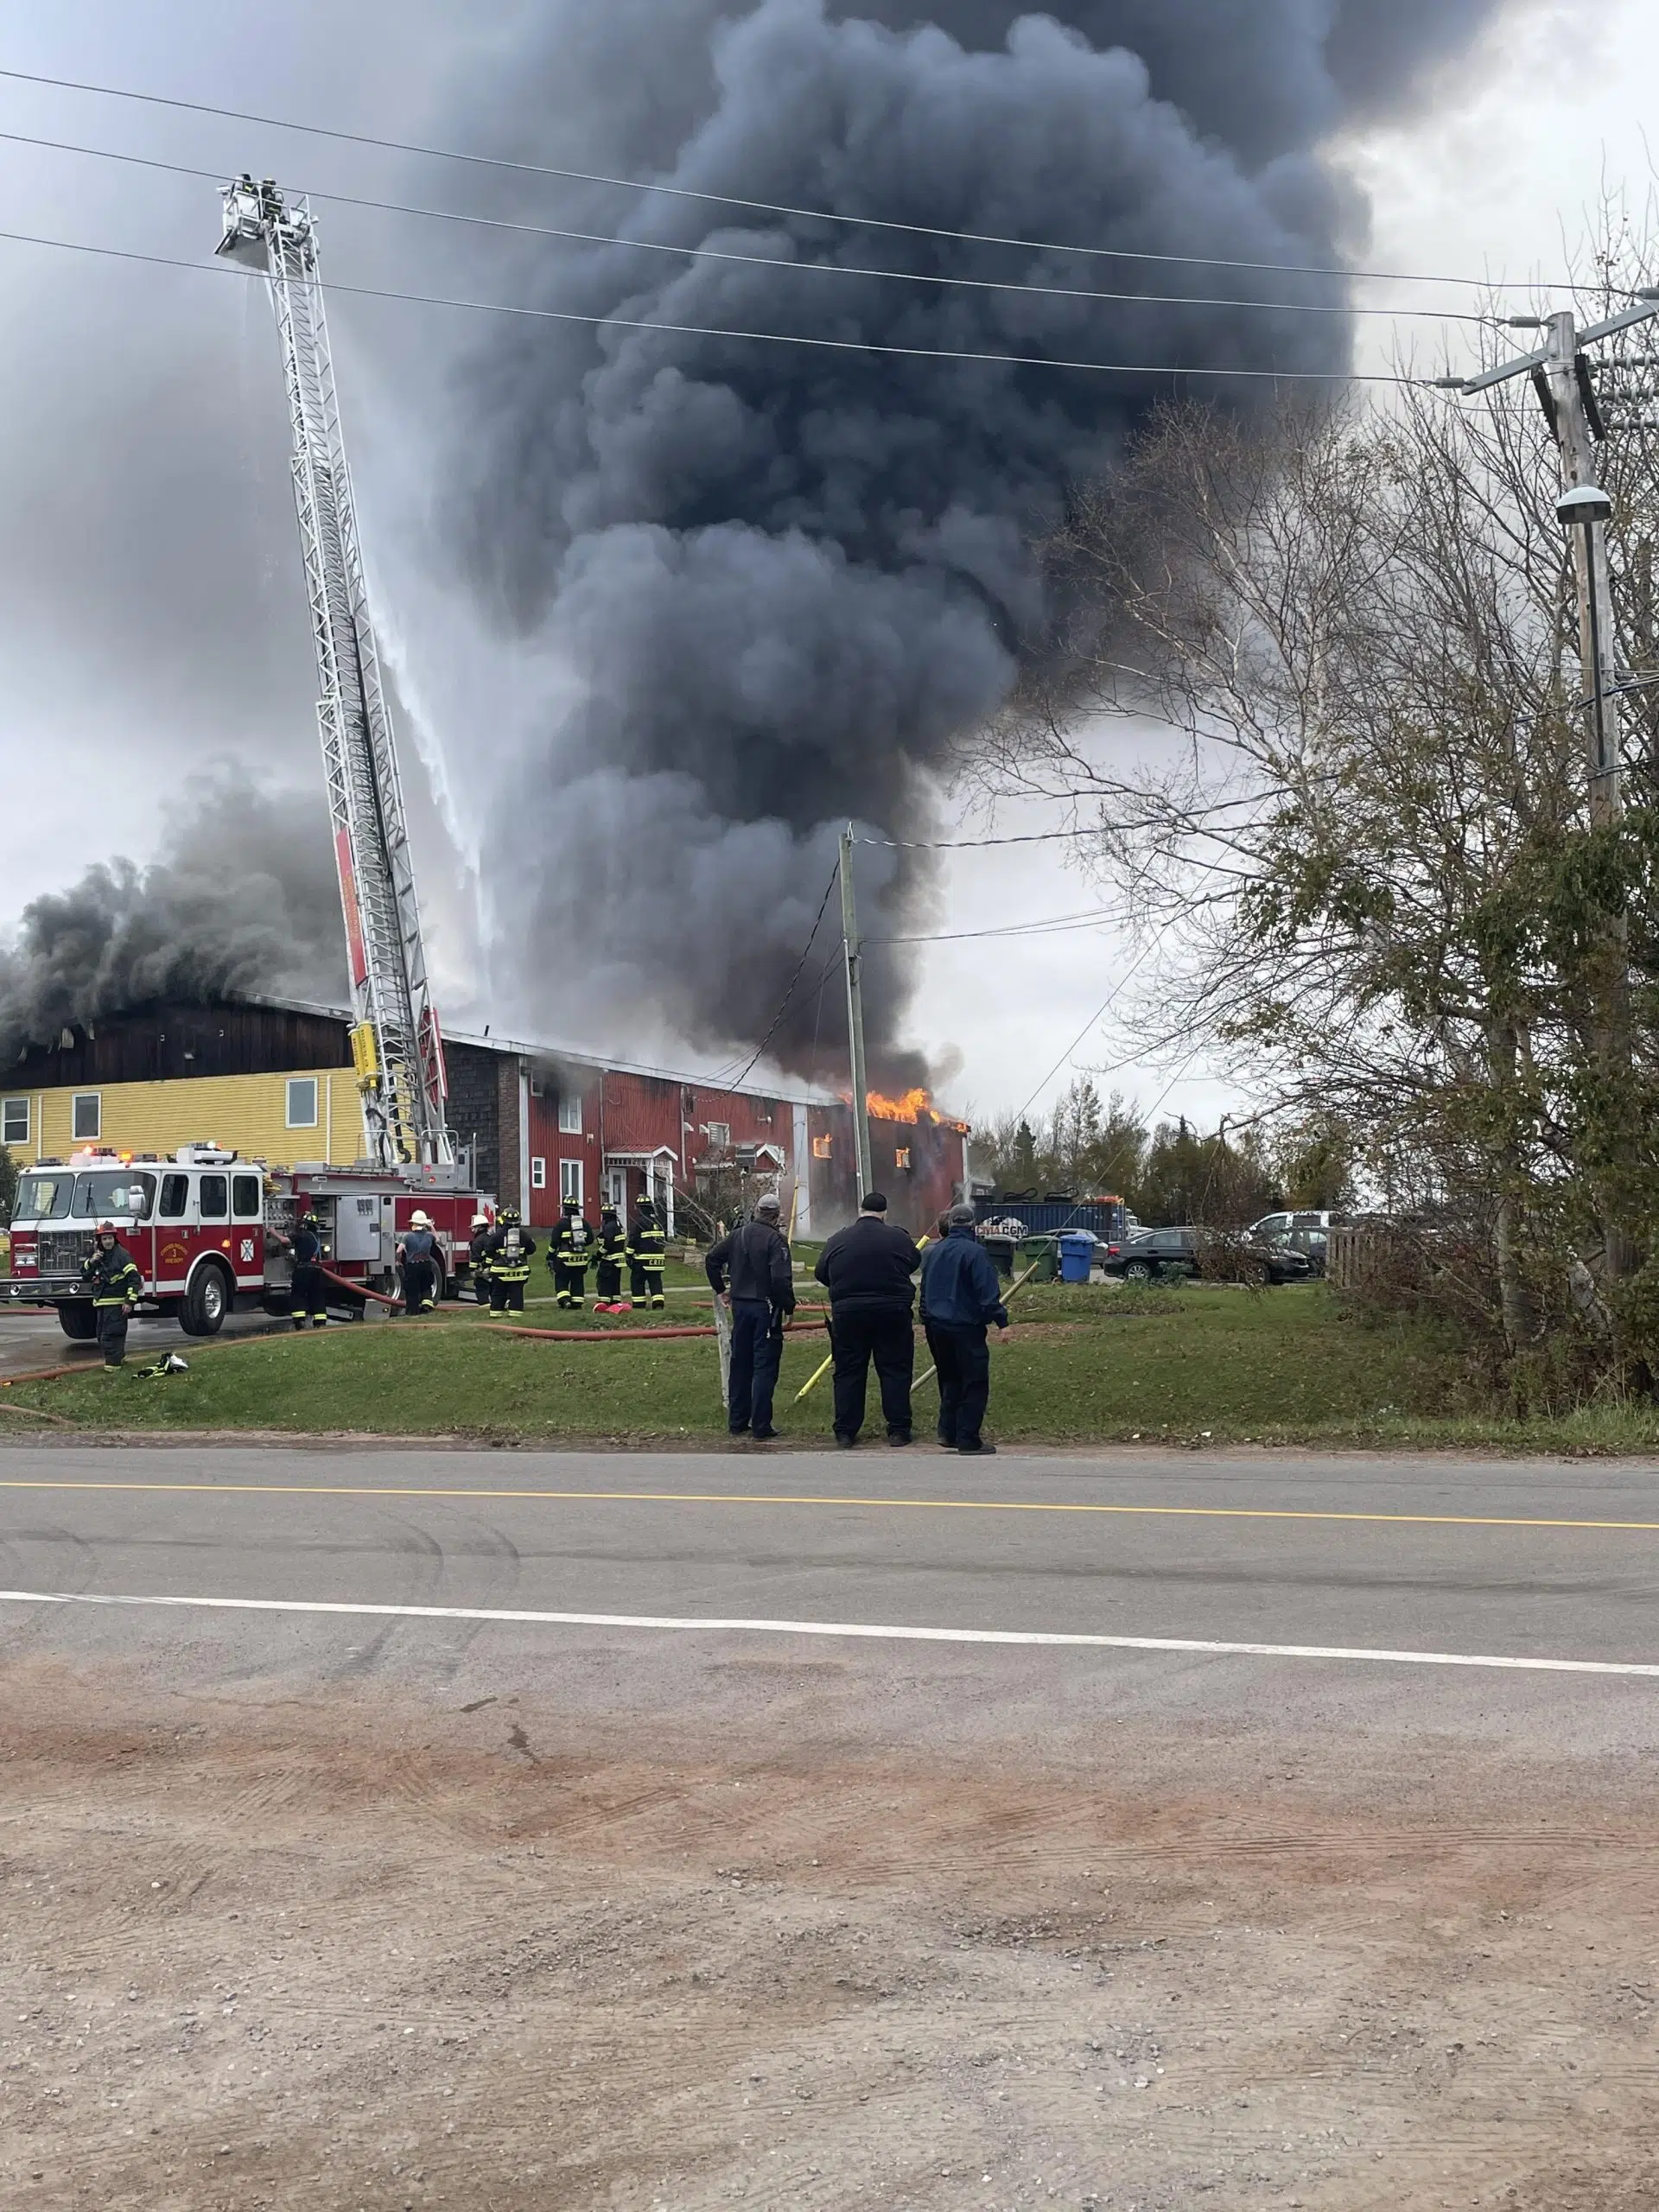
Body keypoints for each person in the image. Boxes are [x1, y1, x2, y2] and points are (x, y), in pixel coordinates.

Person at [813, 1191, 921, 1447]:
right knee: (895, 1370)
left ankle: (845, 1432)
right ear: (884, 1213)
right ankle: (898, 1430)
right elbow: (914, 1263)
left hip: (849, 1314)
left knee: (849, 1371)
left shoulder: (838, 1239)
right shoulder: (899, 1238)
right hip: (892, 1312)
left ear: (860, 1211)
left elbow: (821, 1272)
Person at [918, 1203, 1010, 1455]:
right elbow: (987, 1293)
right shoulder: (975, 1253)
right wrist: (1001, 1322)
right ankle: (968, 1438)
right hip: (965, 1327)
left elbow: (924, 1290)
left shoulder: (933, 1252)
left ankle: (948, 1432)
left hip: (936, 1327)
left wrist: (925, 1319)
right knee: (974, 1381)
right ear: (972, 1225)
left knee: (949, 1379)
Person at [706, 1192, 796, 1440]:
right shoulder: (776, 1241)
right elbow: (780, 1279)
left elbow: (712, 1259)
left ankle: (737, 1422)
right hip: (765, 1309)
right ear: (776, 1215)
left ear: (756, 1211)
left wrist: (721, 1290)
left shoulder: (738, 1235)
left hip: (741, 1308)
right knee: (764, 1367)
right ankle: (761, 1425)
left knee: (740, 1364)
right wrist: (788, 1307)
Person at [79, 1222, 143, 1369]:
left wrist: (129, 1301)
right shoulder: (98, 1257)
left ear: (115, 1238)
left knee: (112, 1335)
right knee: (102, 1335)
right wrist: (92, 1261)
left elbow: (134, 1279)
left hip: (117, 1303)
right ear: (99, 1241)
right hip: (101, 1303)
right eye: (104, 1239)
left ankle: (113, 1367)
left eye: (110, 1238)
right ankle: (119, 1359)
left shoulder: (122, 1255)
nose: (108, 1241)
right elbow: (84, 1275)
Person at [482, 1208, 536, 1314]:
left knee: (498, 1294)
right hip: (519, 1272)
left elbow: (489, 1252)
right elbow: (532, 1249)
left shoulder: (496, 1236)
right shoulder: (524, 1234)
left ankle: (496, 1315)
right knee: (517, 1294)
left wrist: (487, 1266)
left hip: (500, 1272)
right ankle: (516, 1315)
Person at [547, 1198, 596, 1311]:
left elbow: (554, 1241)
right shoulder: (584, 1223)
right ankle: (577, 1302)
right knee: (578, 1280)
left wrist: (550, 1255)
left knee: (561, 1279)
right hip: (581, 1259)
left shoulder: (562, 1223)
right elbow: (590, 1239)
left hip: (565, 1259)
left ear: (565, 1210)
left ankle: (565, 1300)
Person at [288, 1210, 329, 1330]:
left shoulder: (302, 1235)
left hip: (303, 1270)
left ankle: (299, 1322)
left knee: (298, 1294)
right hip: (317, 1270)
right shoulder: (316, 1237)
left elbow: (285, 1241)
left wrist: (273, 1232)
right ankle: (320, 1322)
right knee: (317, 1295)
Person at [628, 1195, 668, 1310]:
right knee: (655, 1281)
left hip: (643, 1259)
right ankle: (658, 1303)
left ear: (640, 1208)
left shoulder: (639, 1222)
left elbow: (633, 1240)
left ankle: (639, 1304)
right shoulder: (659, 1222)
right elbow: (664, 1241)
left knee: (637, 1281)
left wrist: (629, 1255)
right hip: (658, 1259)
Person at [397, 1210, 442, 1314]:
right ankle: (426, 1307)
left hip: (412, 1266)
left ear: (413, 1223)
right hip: (426, 1264)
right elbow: (439, 1241)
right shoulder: (429, 1236)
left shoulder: (407, 1237)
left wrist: (398, 1261)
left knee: (412, 1289)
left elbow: (399, 1250)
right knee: (426, 1286)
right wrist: (432, 1227)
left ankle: (413, 1311)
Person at [594, 1205, 629, 1313]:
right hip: (618, 1261)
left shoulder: (609, 1226)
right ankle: (615, 1303)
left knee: (604, 1281)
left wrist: (598, 1255)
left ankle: (604, 1303)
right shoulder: (618, 1225)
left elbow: (608, 1244)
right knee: (615, 1283)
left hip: (609, 1260)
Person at [467, 1212, 494, 1305]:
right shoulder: (492, 1238)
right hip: (494, 1270)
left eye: (474, 1228)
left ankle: (484, 1308)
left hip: (482, 1273)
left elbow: (475, 1258)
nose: (472, 1230)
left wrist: (472, 1270)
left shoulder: (477, 1241)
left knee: (482, 1291)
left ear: (479, 1227)